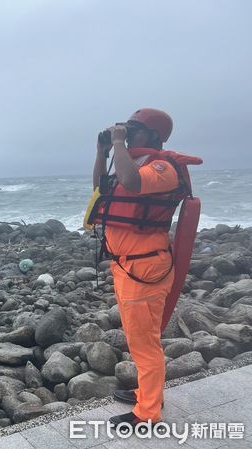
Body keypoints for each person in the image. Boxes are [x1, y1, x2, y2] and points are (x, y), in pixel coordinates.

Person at [89, 108, 192, 429]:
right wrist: (103, 151)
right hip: (127, 266)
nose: (128, 134)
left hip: (145, 269)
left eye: (134, 130)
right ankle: (147, 393)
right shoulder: (130, 163)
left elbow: (132, 183)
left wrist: (118, 143)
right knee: (141, 338)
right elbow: (100, 189)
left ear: (154, 137)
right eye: (126, 129)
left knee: (145, 343)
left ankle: (148, 412)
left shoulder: (162, 167)